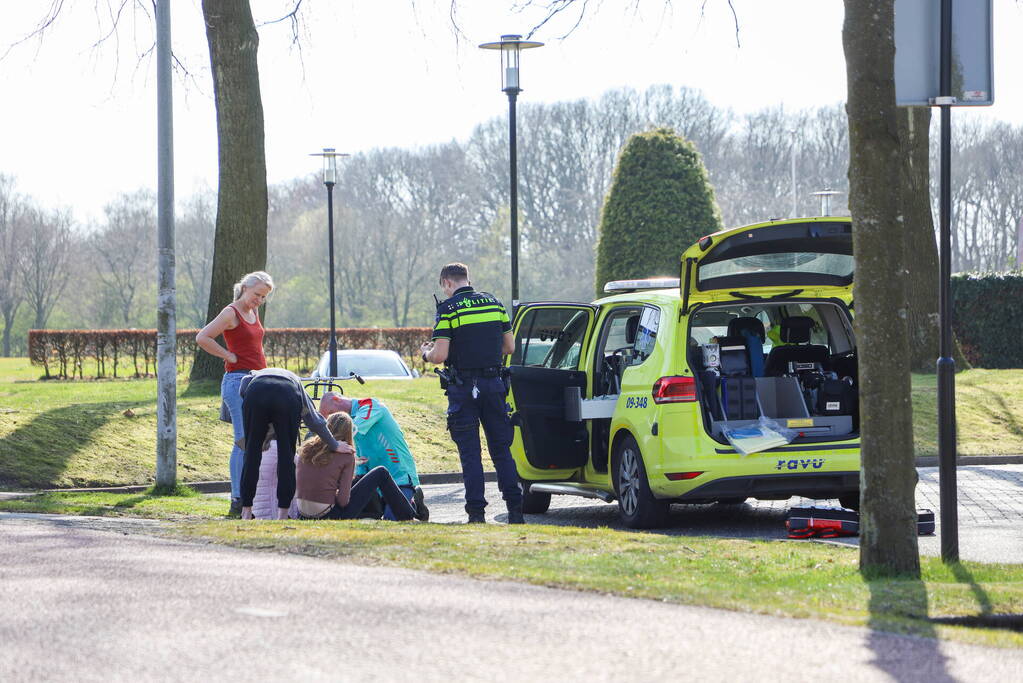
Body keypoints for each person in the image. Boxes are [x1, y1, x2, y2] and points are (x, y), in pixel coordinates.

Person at [420, 262, 524, 524]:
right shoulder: (495, 304)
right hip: (494, 385)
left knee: (470, 454)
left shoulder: (448, 309)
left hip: (463, 388)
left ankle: (477, 514)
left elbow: (440, 355)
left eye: (443, 287)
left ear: (447, 282)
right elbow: (509, 347)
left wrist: (426, 353)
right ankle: (515, 510)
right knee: (502, 450)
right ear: (467, 278)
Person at [196, 270, 274, 516]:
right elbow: (203, 337)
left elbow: (254, 345)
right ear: (245, 288)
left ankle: (253, 496)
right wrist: (228, 355)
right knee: (243, 441)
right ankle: (238, 499)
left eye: (263, 297)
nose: (259, 300)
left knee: (257, 439)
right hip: (237, 382)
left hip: (258, 380)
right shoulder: (231, 313)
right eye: (257, 295)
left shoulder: (253, 312)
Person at [237, 367, 354, 521]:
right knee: (286, 456)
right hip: (287, 394)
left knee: (251, 454)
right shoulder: (295, 382)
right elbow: (314, 420)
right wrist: (334, 444)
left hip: (256, 393)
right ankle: (283, 514)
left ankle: (246, 511)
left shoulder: (252, 377)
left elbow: (243, 387)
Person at [320, 392, 429, 521]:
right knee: (351, 514)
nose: (332, 419)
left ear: (336, 399)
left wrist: (323, 443)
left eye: (331, 413)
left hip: (399, 475)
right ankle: (405, 502)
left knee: (392, 521)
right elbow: (355, 449)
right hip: (374, 479)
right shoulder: (349, 421)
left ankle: (414, 500)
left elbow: (352, 430)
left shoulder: (371, 405)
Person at [295, 411, 419, 521]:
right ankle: (408, 514)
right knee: (381, 472)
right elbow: (343, 502)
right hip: (329, 515)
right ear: (348, 432)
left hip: (302, 514)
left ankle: (405, 510)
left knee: (360, 481)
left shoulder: (306, 449)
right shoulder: (346, 455)